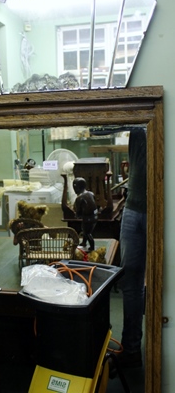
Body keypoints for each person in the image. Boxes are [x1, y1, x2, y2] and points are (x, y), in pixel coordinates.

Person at [119, 127, 147, 368]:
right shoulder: (138, 125)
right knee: (130, 283)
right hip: (133, 207)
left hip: (164, 205)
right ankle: (131, 350)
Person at [73, 177, 98, 251]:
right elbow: (94, 203)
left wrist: (77, 215)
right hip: (95, 215)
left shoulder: (79, 198)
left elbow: (78, 211)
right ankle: (84, 242)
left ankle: (92, 247)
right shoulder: (91, 193)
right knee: (85, 230)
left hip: (88, 218)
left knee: (87, 232)